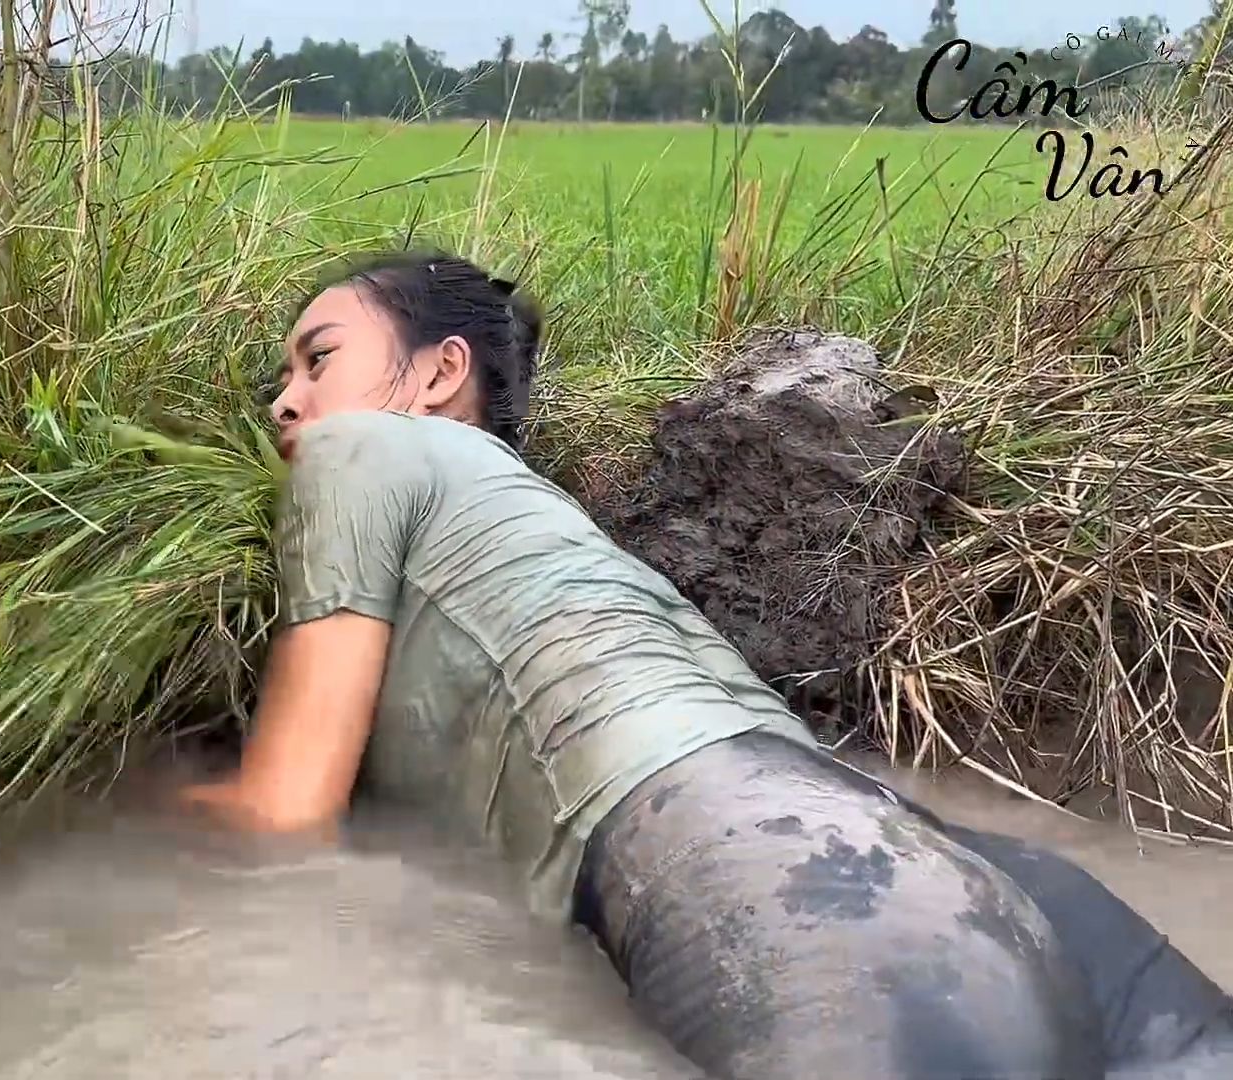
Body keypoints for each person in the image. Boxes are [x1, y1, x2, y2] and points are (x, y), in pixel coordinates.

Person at [179, 250, 1233, 1079]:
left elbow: (286, 813)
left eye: (317, 359)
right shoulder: (528, 524)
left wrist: (150, 813)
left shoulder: (364, 449)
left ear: (443, 371)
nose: (285, 402)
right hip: (927, 858)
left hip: (768, 869)